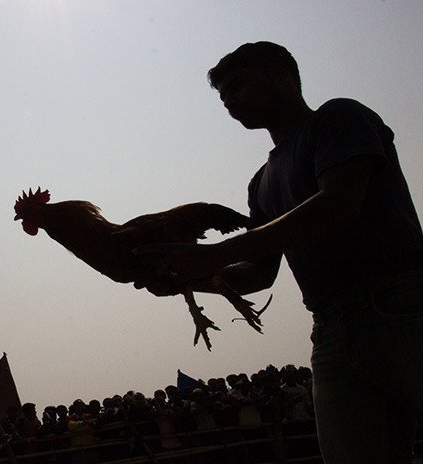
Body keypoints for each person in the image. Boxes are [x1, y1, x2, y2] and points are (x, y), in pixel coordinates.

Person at [135, 41, 423, 462]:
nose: (231, 102)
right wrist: (188, 280)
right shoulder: (261, 183)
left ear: (283, 77)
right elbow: (258, 275)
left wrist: (215, 254)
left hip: (400, 303)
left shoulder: (339, 117)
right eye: (223, 96)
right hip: (329, 328)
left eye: (238, 87)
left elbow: (338, 206)